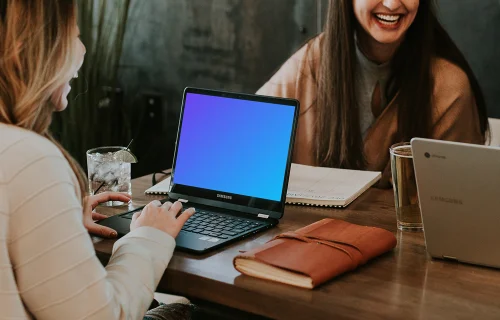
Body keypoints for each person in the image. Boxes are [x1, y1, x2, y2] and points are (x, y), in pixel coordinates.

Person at [0, 1, 195, 318]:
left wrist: (56, 219)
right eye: (74, 36)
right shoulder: (29, 158)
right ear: (28, 51)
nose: (83, 50)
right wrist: (149, 236)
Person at [257, 0, 488, 187]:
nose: (391, 4)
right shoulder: (310, 64)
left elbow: (459, 205)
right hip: (312, 238)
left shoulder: (449, 87)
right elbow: (243, 141)